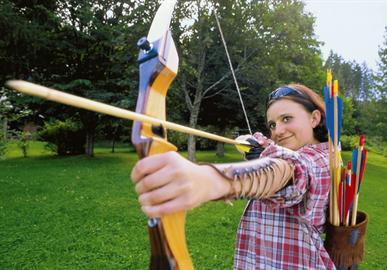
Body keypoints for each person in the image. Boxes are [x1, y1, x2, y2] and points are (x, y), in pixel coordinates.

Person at [131, 83, 336, 269]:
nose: (278, 130)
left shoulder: (322, 160)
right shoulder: (285, 152)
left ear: (314, 118)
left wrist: (211, 180)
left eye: (286, 119)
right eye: (272, 124)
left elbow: (290, 172)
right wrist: (259, 150)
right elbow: (277, 157)